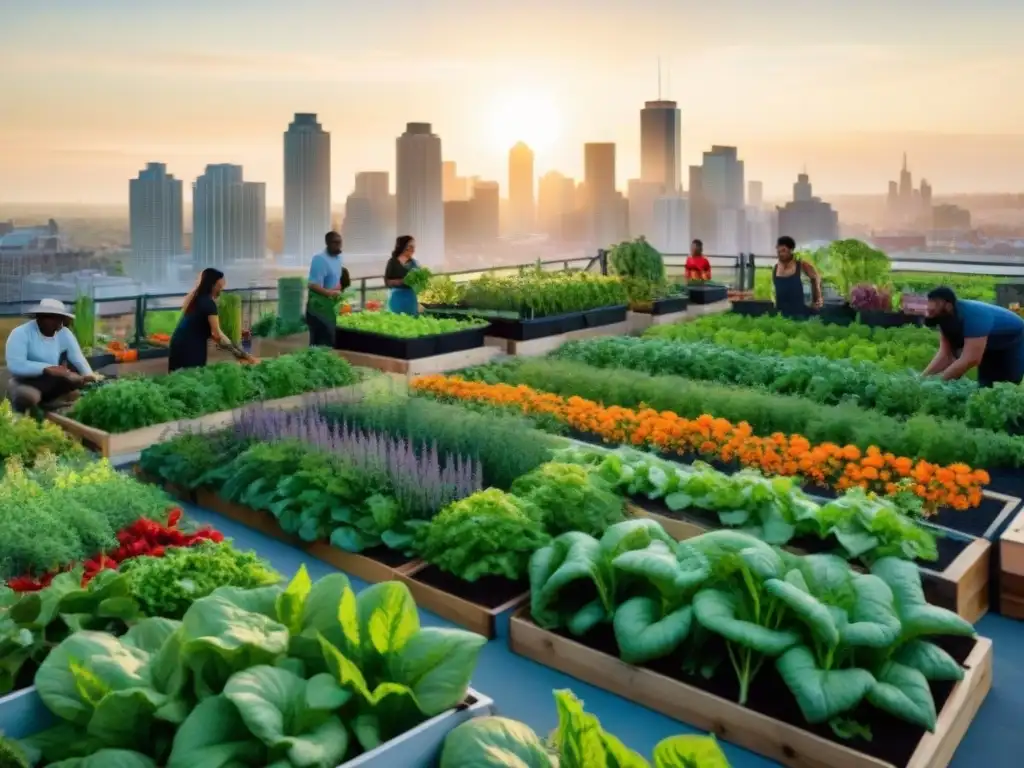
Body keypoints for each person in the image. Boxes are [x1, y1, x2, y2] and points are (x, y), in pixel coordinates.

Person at [5, 298, 102, 412]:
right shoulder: (21, 333)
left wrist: (89, 376)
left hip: (51, 380)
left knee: (76, 384)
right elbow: (16, 364)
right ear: (39, 317)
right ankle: (21, 411)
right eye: (52, 318)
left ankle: (49, 405)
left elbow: (78, 358)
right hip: (26, 381)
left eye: (60, 319)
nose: (57, 324)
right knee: (29, 397)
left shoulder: (64, 333)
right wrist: (46, 368)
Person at [922, 286, 1024, 386]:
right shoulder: (945, 318)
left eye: (935, 302)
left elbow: (971, 358)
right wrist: (921, 379)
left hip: (1013, 340)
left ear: (948, 305)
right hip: (990, 344)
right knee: (985, 386)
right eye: (930, 301)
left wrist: (937, 381)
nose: (930, 307)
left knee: (1007, 385)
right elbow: (946, 355)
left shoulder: (973, 316)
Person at [169, 268, 254, 372]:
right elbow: (217, 335)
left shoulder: (196, 298)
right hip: (190, 347)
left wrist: (238, 346)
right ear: (212, 285)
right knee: (191, 377)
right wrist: (241, 354)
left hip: (179, 343)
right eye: (219, 286)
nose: (221, 290)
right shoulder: (208, 304)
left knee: (179, 380)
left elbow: (207, 329)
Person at [307, 231, 344, 346]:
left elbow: (336, 278)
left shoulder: (339, 258)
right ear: (327, 243)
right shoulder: (319, 259)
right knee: (321, 342)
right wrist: (329, 293)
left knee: (330, 341)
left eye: (340, 242)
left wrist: (338, 289)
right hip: (318, 308)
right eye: (335, 243)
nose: (338, 245)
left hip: (331, 307)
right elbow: (312, 284)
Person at [772, 236, 823, 317]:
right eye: (778, 251)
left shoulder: (802, 265)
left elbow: (816, 278)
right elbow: (775, 291)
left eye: (783, 250)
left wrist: (817, 298)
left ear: (791, 250)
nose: (780, 254)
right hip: (781, 314)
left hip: (801, 313)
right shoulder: (775, 268)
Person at [384, 235, 421, 315]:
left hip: (410, 298)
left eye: (413, 247)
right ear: (403, 247)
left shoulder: (414, 263)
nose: (413, 249)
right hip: (396, 298)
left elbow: (419, 282)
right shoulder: (393, 262)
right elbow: (387, 282)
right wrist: (402, 281)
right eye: (410, 247)